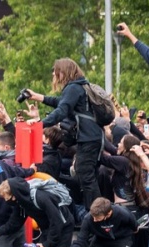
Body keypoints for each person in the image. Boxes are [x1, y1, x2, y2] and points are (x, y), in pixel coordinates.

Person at [23, 58, 103, 210]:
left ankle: (97, 214)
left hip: (88, 138)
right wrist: (39, 97)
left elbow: (61, 110)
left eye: (55, 71)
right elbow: (61, 102)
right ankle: (96, 212)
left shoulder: (73, 88)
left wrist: (40, 124)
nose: (53, 74)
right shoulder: (79, 86)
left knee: (86, 177)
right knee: (86, 176)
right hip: (92, 136)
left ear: (63, 72)